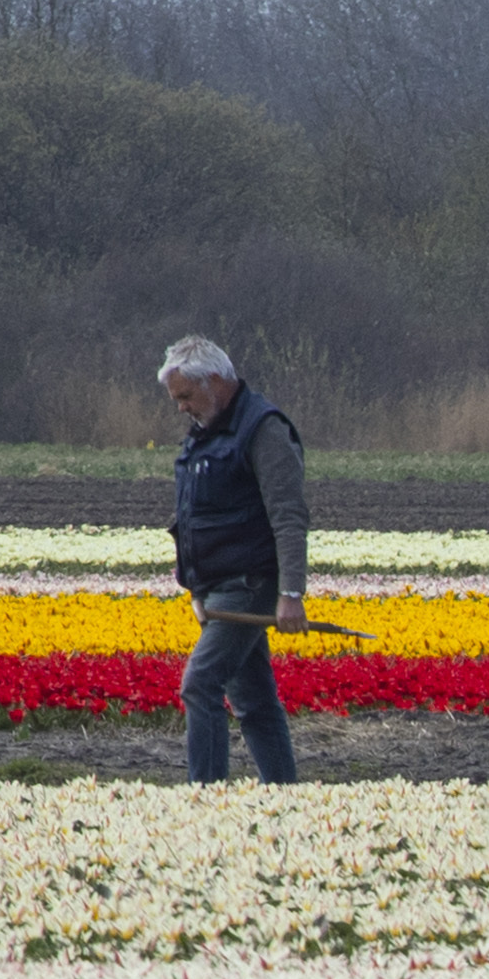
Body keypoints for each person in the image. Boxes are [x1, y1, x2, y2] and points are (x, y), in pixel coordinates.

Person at [158, 336, 309, 784]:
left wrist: (291, 593)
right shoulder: (208, 430)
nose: (181, 408)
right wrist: (192, 580)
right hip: (217, 590)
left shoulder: (263, 429)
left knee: (200, 684)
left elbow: (289, 516)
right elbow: (195, 509)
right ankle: (285, 793)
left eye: (186, 396)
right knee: (254, 700)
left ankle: (205, 798)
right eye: (177, 399)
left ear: (217, 382)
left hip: (249, 584)